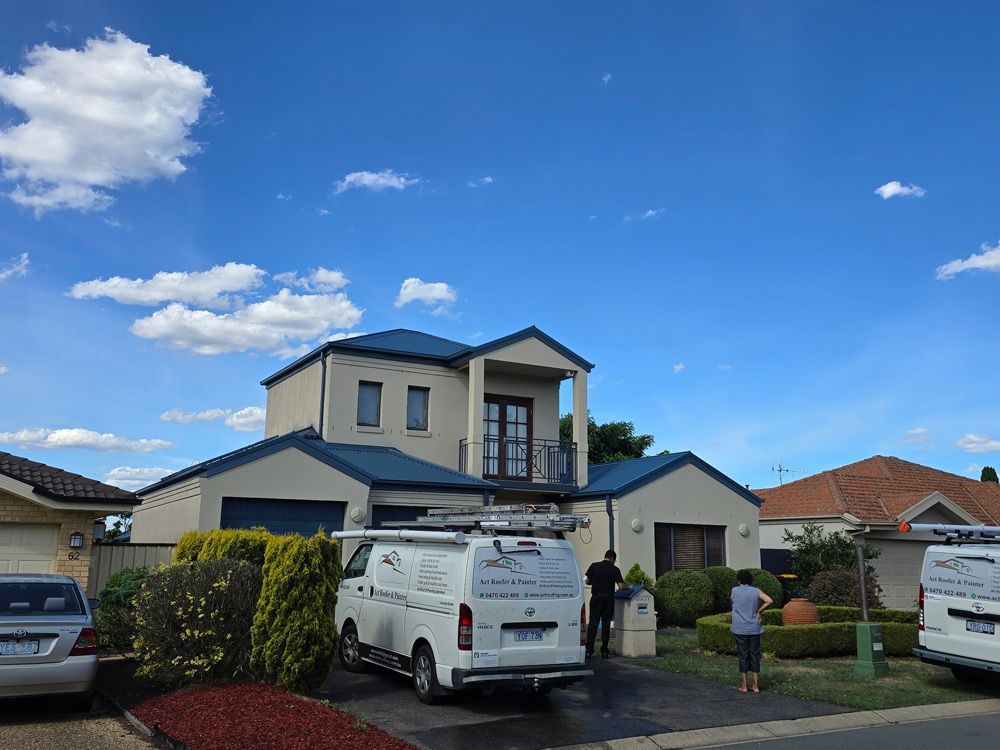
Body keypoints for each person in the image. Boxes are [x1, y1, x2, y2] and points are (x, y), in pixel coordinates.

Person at [730, 569, 773, 693]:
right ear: (750, 580)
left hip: (739, 628)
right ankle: (755, 686)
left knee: (743, 655)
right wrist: (759, 611)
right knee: (754, 655)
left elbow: (732, 600)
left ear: (739, 580)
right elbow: (769, 601)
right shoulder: (756, 591)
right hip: (754, 628)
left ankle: (744, 686)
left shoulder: (734, 590)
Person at [584, 549, 625, 658]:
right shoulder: (615, 570)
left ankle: (589, 650)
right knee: (606, 625)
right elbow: (621, 587)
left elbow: (587, 581)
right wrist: (628, 587)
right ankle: (604, 650)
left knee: (593, 624)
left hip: (596, 598)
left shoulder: (594, 566)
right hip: (608, 599)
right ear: (612, 558)